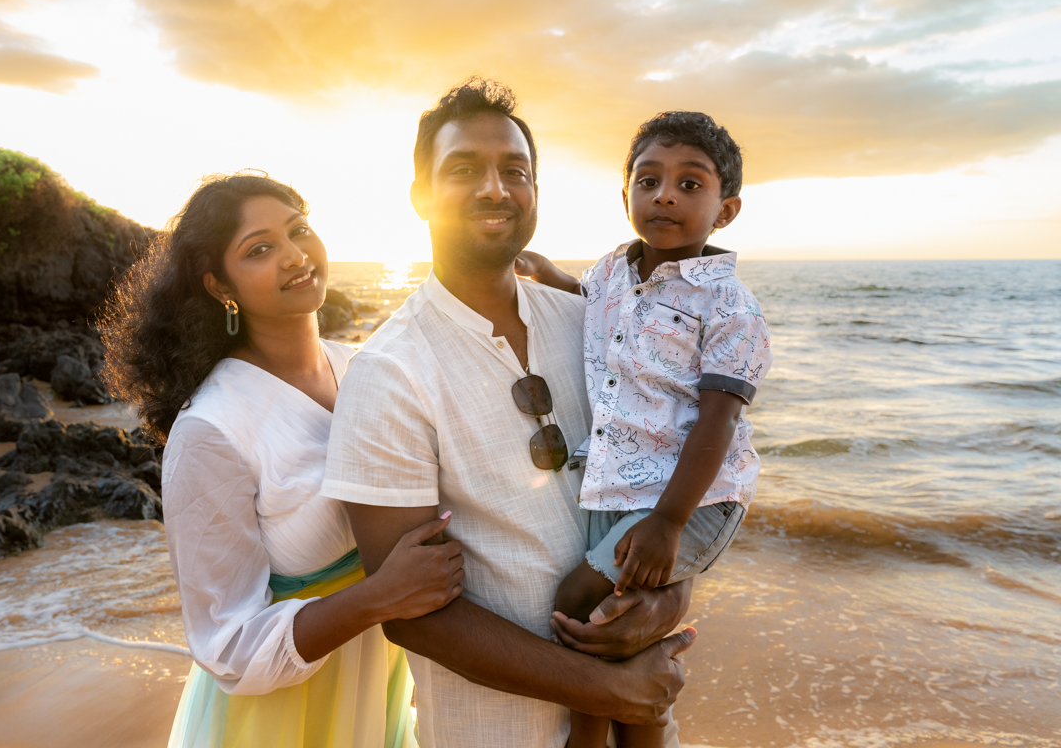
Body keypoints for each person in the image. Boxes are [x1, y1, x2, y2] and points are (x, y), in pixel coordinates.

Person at [320, 78, 696, 748]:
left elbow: (663, 487)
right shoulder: (388, 373)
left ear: (535, 196)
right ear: (420, 195)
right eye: (464, 169)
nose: (494, 189)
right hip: (493, 731)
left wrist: (668, 601)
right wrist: (605, 687)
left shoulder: (588, 324)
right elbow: (407, 612)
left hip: (633, 720)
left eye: (514, 171)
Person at [99, 171, 466, 748]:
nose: (295, 256)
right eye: (260, 249)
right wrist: (377, 597)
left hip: (384, 681)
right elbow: (228, 648)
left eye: (299, 230)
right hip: (284, 718)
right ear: (220, 284)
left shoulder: (365, 369)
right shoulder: (210, 430)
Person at [516, 111, 773, 747]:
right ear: (626, 192)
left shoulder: (730, 306)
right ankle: (624, 728)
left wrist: (668, 522)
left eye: (691, 185)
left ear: (726, 210)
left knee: (581, 601)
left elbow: (718, 421)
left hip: (690, 500)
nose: (664, 195)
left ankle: (587, 732)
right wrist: (555, 280)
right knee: (625, 635)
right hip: (616, 488)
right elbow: (604, 311)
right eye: (648, 180)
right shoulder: (609, 273)